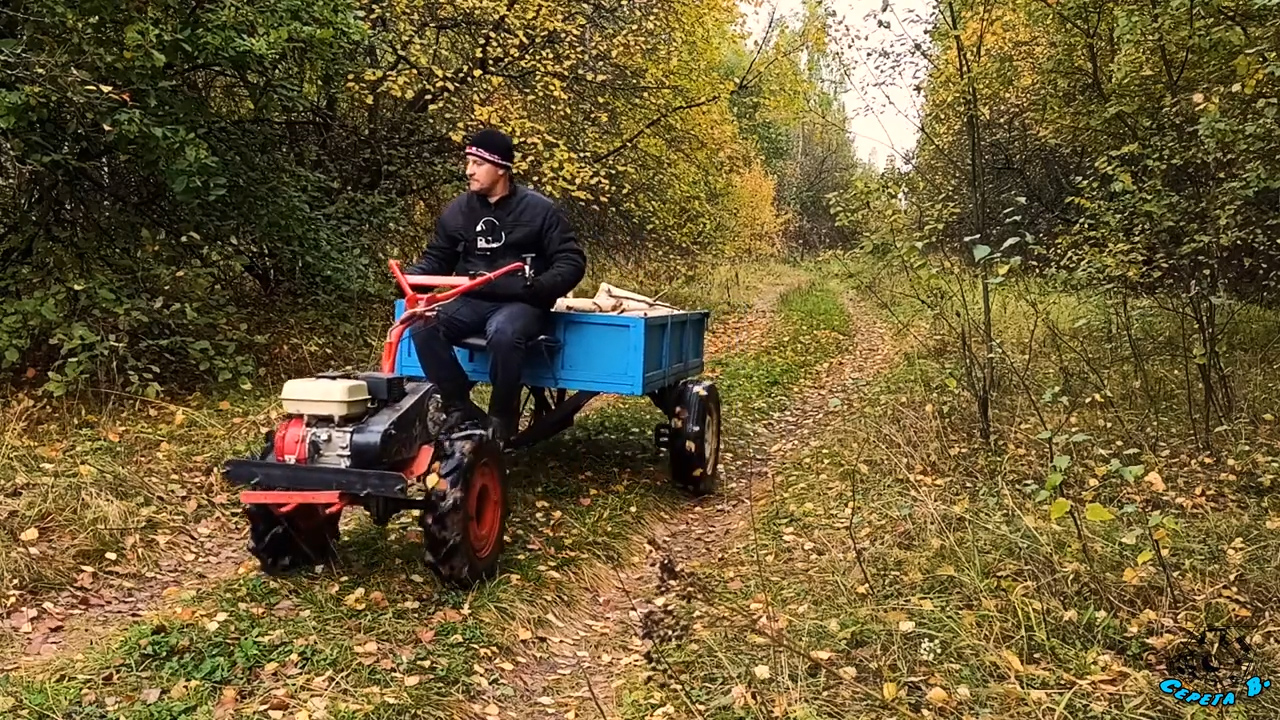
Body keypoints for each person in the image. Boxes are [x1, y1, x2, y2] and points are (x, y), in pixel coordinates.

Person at [403, 128, 587, 445]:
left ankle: (502, 418)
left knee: (503, 331)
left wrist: (540, 287)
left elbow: (571, 261)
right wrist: (412, 278)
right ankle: (459, 405)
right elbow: (437, 257)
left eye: (477, 163)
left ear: (500, 167)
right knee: (421, 324)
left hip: (523, 302)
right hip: (472, 299)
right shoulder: (459, 210)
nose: (468, 171)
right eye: (468, 162)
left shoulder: (540, 210)